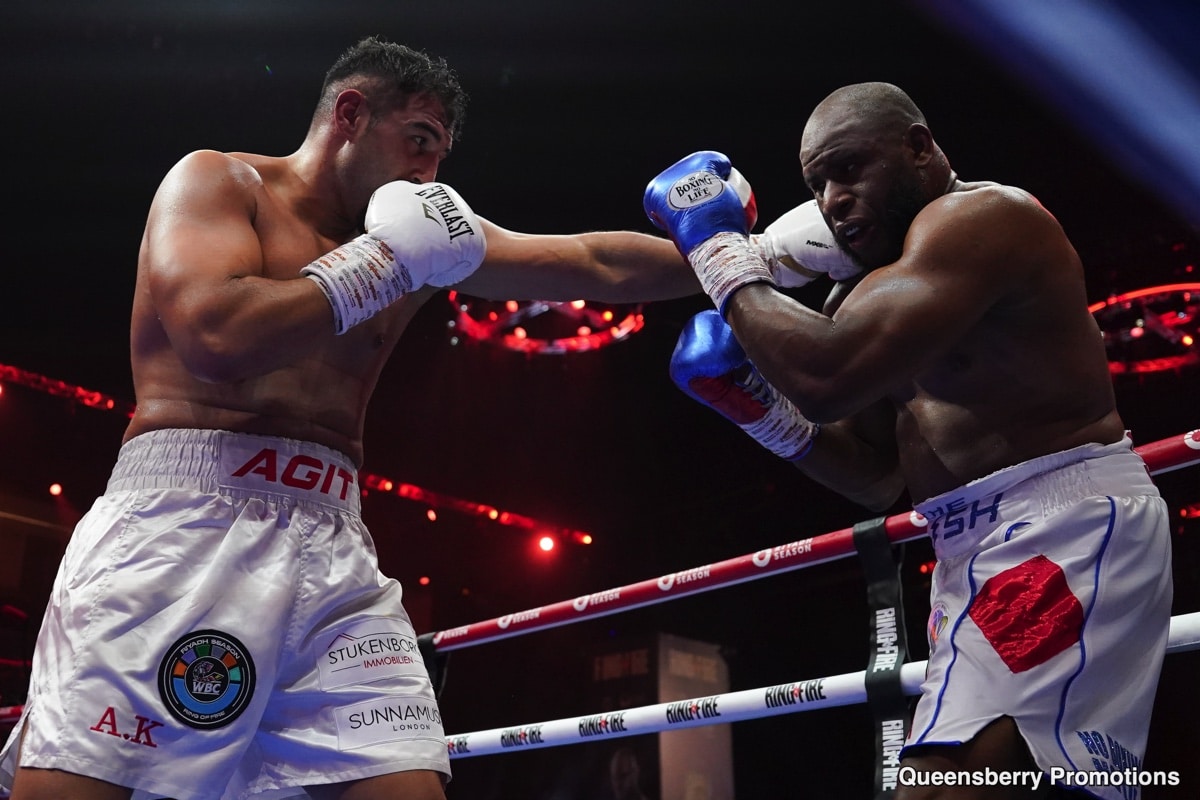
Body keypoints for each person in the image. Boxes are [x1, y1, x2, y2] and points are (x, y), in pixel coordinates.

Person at [0, 35, 724, 800]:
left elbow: (589, 262)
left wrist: (749, 256)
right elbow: (216, 335)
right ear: (349, 112)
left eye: (439, 153)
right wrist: (384, 261)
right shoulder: (220, 182)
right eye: (417, 140)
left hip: (332, 549)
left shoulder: (422, 240)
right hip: (180, 524)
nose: (428, 174)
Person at [644, 82, 1172, 799]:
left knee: (942, 783)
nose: (833, 197)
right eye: (818, 183)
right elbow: (873, 478)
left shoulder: (985, 218)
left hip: (1058, 529)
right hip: (968, 549)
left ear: (919, 148)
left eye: (849, 167)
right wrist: (758, 410)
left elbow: (827, 376)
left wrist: (717, 249)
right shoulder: (855, 300)